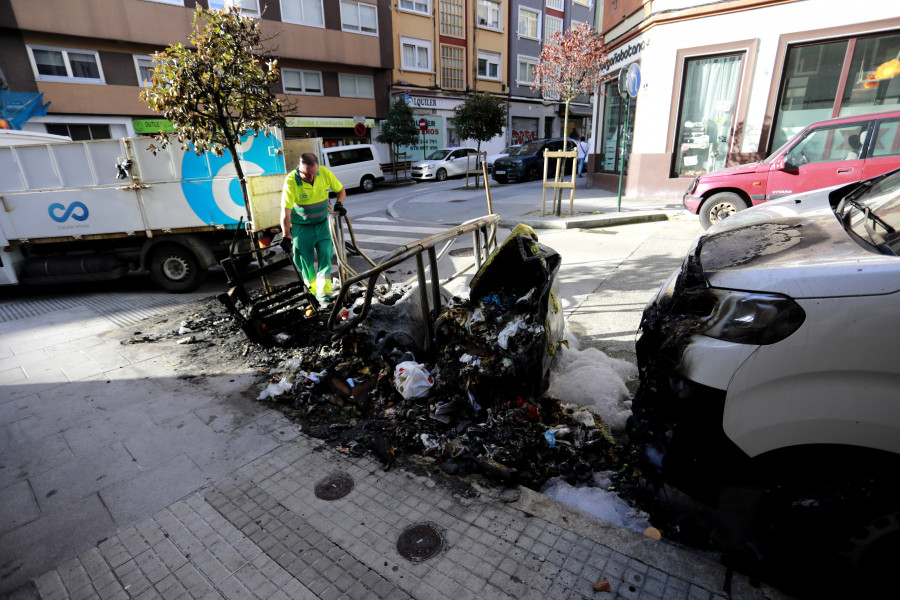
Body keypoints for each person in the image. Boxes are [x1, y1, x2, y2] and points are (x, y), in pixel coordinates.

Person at [279, 152, 346, 303]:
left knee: (325, 259)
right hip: (302, 228)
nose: (311, 178)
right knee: (305, 263)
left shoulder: (324, 173)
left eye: (314, 174)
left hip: (322, 225)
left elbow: (340, 190)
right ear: (298, 168)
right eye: (307, 175)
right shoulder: (291, 181)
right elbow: (285, 211)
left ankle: (323, 297)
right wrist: (286, 235)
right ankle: (312, 295)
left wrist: (339, 203)